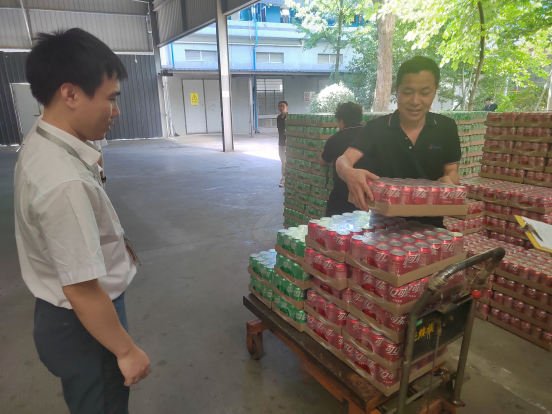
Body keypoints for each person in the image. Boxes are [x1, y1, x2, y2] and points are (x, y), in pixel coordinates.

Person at [14, 28, 150, 413]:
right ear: (70, 94)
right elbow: (82, 290)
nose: (116, 111)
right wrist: (126, 350)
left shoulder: (42, 139)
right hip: (85, 326)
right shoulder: (64, 184)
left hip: (62, 314)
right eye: (111, 99)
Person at [336, 56, 461, 227]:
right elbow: (343, 159)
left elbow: (452, 169)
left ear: (435, 90)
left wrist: (449, 181)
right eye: (408, 92)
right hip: (383, 228)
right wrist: (347, 172)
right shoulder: (376, 128)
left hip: (432, 228)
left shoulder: (446, 127)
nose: (415, 101)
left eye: (425, 93)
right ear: (397, 90)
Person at [318, 102, 365, 216]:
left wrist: (321, 153)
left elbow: (323, 162)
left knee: (332, 223)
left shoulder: (335, 139)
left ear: (342, 120)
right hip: (368, 195)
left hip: (342, 196)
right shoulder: (369, 136)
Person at [277, 100, 288, 187]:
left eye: (283, 106)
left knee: (285, 162)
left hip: (288, 143)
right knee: (283, 161)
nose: (281, 108)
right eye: (280, 106)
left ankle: (283, 180)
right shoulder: (278, 118)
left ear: (287, 107)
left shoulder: (289, 117)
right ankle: (284, 179)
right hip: (281, 142)